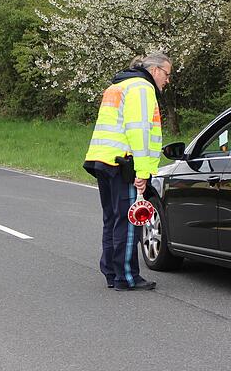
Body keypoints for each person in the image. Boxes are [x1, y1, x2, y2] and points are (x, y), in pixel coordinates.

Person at [83, 52, 172, 291]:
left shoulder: (119, 84)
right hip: (125, 163)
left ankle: (111, 272)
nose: (167, 80)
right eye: (167, 74)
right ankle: (127, 277)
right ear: (155, 70)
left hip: (103, 159)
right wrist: (142, 172)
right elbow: (139, 131)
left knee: (112, 219)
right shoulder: (142, 88)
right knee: (130, 220)